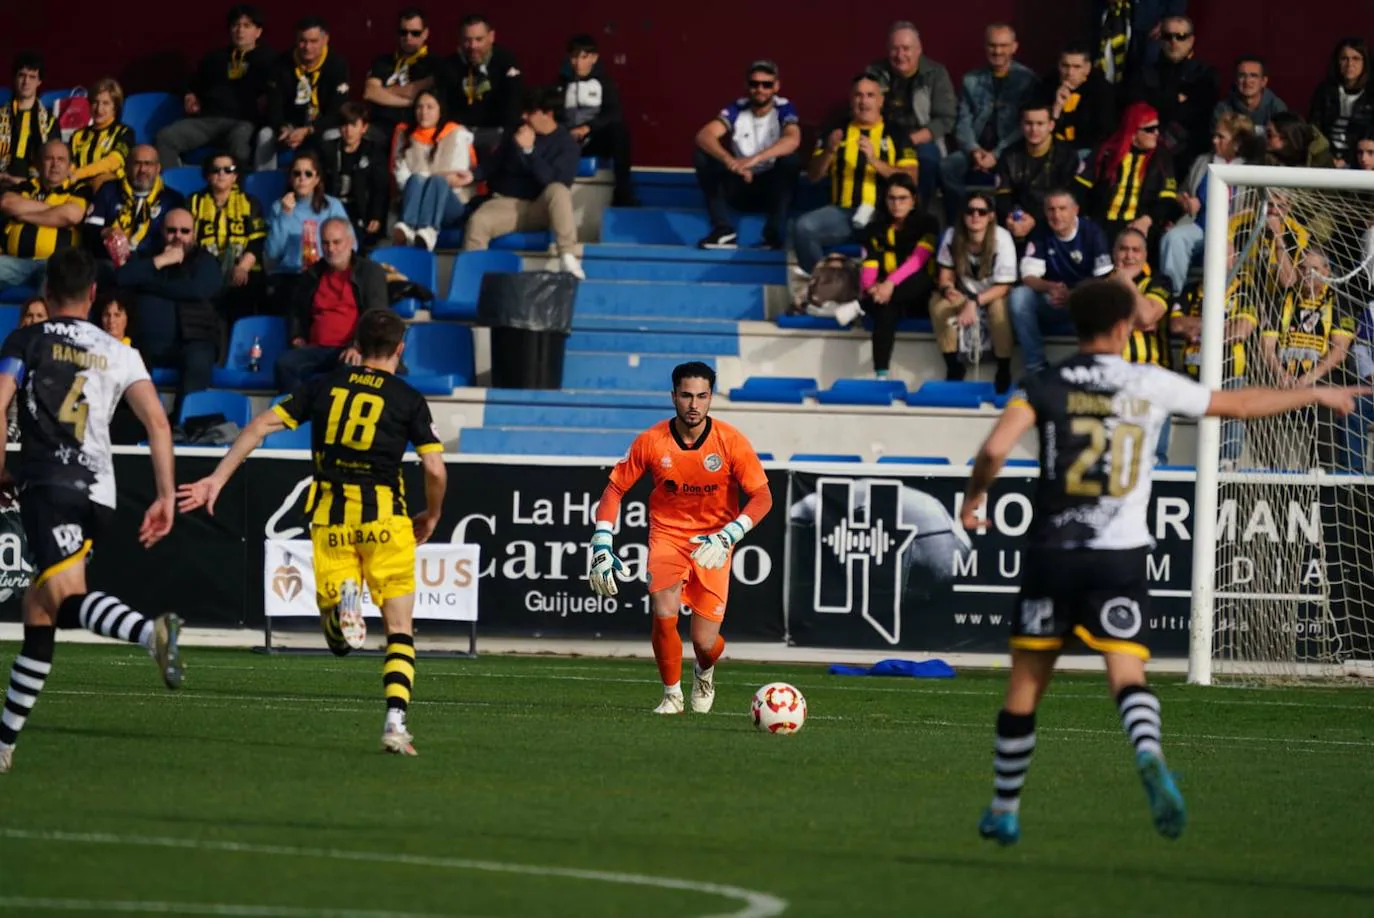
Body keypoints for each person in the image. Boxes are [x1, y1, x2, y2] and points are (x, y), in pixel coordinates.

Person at [959, 276, 1366, 846]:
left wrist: (975, 497)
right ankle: (1148, 753)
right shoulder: (1148, 381)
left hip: (1054, 553)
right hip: (1120, 557)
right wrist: (1317, 393)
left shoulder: (1042, 383)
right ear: (1126, 326)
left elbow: (996, 449)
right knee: (1127, 674)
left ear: (1076, 327)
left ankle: (1004, 809)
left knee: (1026, 686)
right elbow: (1239, 405)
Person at [178, 309, 447, 755]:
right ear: (401, 349)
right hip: (387, 522)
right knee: (400, 629)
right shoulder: (408, 398)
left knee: (338, 643)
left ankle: (343, 604)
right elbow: (435, 467)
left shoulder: (325, 386)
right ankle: (395, 722)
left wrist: (216, 479)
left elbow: (260, 425)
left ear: (356, 346)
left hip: (333, 522)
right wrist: (433, 515)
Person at [0, 248, 183, 775]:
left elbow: (0, 401)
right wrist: (166, 495)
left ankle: (153, 633)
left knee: (63, 596)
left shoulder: (27, 339)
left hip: (51, 485)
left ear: (46, 292)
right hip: (99, 492)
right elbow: (158, 424)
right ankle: (5, 741)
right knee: (39, 609)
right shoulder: (119, 351)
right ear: (94, 296)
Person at [586, 361, 773, 715]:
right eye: (686, 395)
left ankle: (705, 669)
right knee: (663, 611)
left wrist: (731, 532)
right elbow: (614, 490)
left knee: (705, 642)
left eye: (702, 396)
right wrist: (601, 542)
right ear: (673, 397)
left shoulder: (731, 441)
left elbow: (763, 497)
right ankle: (671, 695)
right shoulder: (652, 441)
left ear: (710, 398)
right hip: (668, 536)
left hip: (715, 543)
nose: (694, 404)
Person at [276, 217, 389, 391]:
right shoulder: (312, 274)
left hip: (351, 349)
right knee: (284, 364)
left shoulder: (369, 272)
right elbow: (296, 310)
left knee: (348, 372)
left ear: (350, 242)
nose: (331, 249)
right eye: (326, 243)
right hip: (316, 349)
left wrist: (357, 346)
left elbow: (377, 316)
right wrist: (296, 335)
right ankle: (299, 412)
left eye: (337, 242)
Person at [929, 191, 1017, 389]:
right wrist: (947, 289)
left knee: (997, 310)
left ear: (991, 216)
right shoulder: (953, 235)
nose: (975, 216)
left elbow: (1004, 286)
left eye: (982, 212)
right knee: (938, 306)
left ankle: (1004, 367)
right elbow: (945, 274)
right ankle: (953, 365)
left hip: (993, 293)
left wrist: (974, 302)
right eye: (970, 211)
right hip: (963, 292)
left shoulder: (1002, 239)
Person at [390, 90, 476, 252]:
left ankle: (428, 229)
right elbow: (402, 179)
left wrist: (428, 177)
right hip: (415, 199)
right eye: (419, 107)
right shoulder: (406, 135)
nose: (424, 112)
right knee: (416, 179)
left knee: (435, 181)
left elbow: (456, 180)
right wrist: (432, 176)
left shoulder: (457, 134)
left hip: (451, 204)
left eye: (430, 107)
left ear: (440, 111)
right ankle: (408, 228)